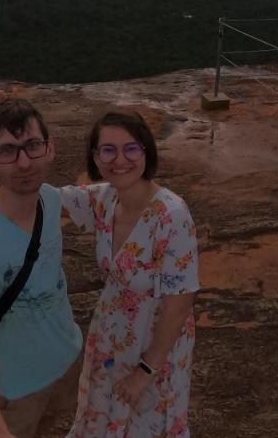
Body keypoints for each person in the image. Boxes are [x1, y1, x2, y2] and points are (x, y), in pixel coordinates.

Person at [59, 112, 200, 437]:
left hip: (155, 349)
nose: (119, 160)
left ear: (146, 152)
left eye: (131, 149)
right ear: (95, 157)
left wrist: (146, 370)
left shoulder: (171, 215)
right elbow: (53, 199)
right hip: (112, 337)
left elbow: (179, 305)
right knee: (105, 416)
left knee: (147, 424)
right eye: (108, 150)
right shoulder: (106, 199)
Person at [0, 99, 82, 438]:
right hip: (16, 389)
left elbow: (112, 200)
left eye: (32, 146)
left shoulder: (53, 200)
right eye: (8, 151)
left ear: (50, 148)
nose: (24, 162)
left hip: (69, 362)